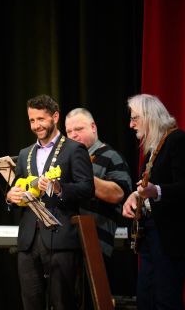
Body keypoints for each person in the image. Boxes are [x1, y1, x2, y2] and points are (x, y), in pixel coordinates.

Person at [6, 94, 94, 310]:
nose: (36, 125)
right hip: (28, 240)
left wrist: (59, 188)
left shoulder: (74, 149)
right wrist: (10, 197)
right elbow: (17, 187)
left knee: (63, 303)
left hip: (61, 238)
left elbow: (87, 189)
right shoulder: (25, 153)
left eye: (41, 119)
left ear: (55, 117)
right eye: (32, 120)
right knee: (31, 303)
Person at [122, 94, 185, 310]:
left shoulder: (179, 141)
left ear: (149, 116)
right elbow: (144, 186)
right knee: (146, 297)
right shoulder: (153, 148)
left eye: (135, 118)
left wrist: (155, 191)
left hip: (169, 235)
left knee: (165, 299)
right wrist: (135, 196)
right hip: (150, 232)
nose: (131, 124)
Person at [65, 108, 132, 297]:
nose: (73, 135)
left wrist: (84, 176)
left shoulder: (111, 156)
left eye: (78, 129)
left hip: (95, 246)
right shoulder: (66, 159)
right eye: (69, 132)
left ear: (93, 127)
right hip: (67, 243)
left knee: (91, 299)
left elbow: (118, 194)